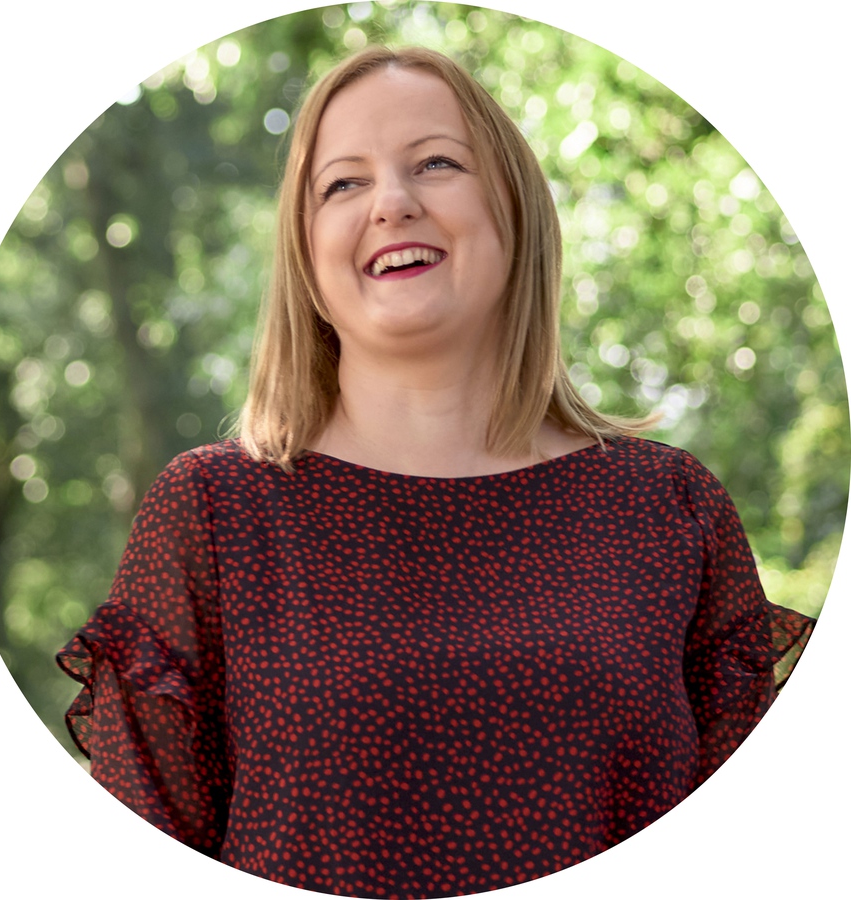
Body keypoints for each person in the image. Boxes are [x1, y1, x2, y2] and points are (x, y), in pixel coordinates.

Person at [58, 46, 815, 898]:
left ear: (514, 209)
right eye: (342, 184)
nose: (392, 202)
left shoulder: (668, 507)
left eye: (436, 164)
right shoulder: (214, 513)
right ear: (305, 254)